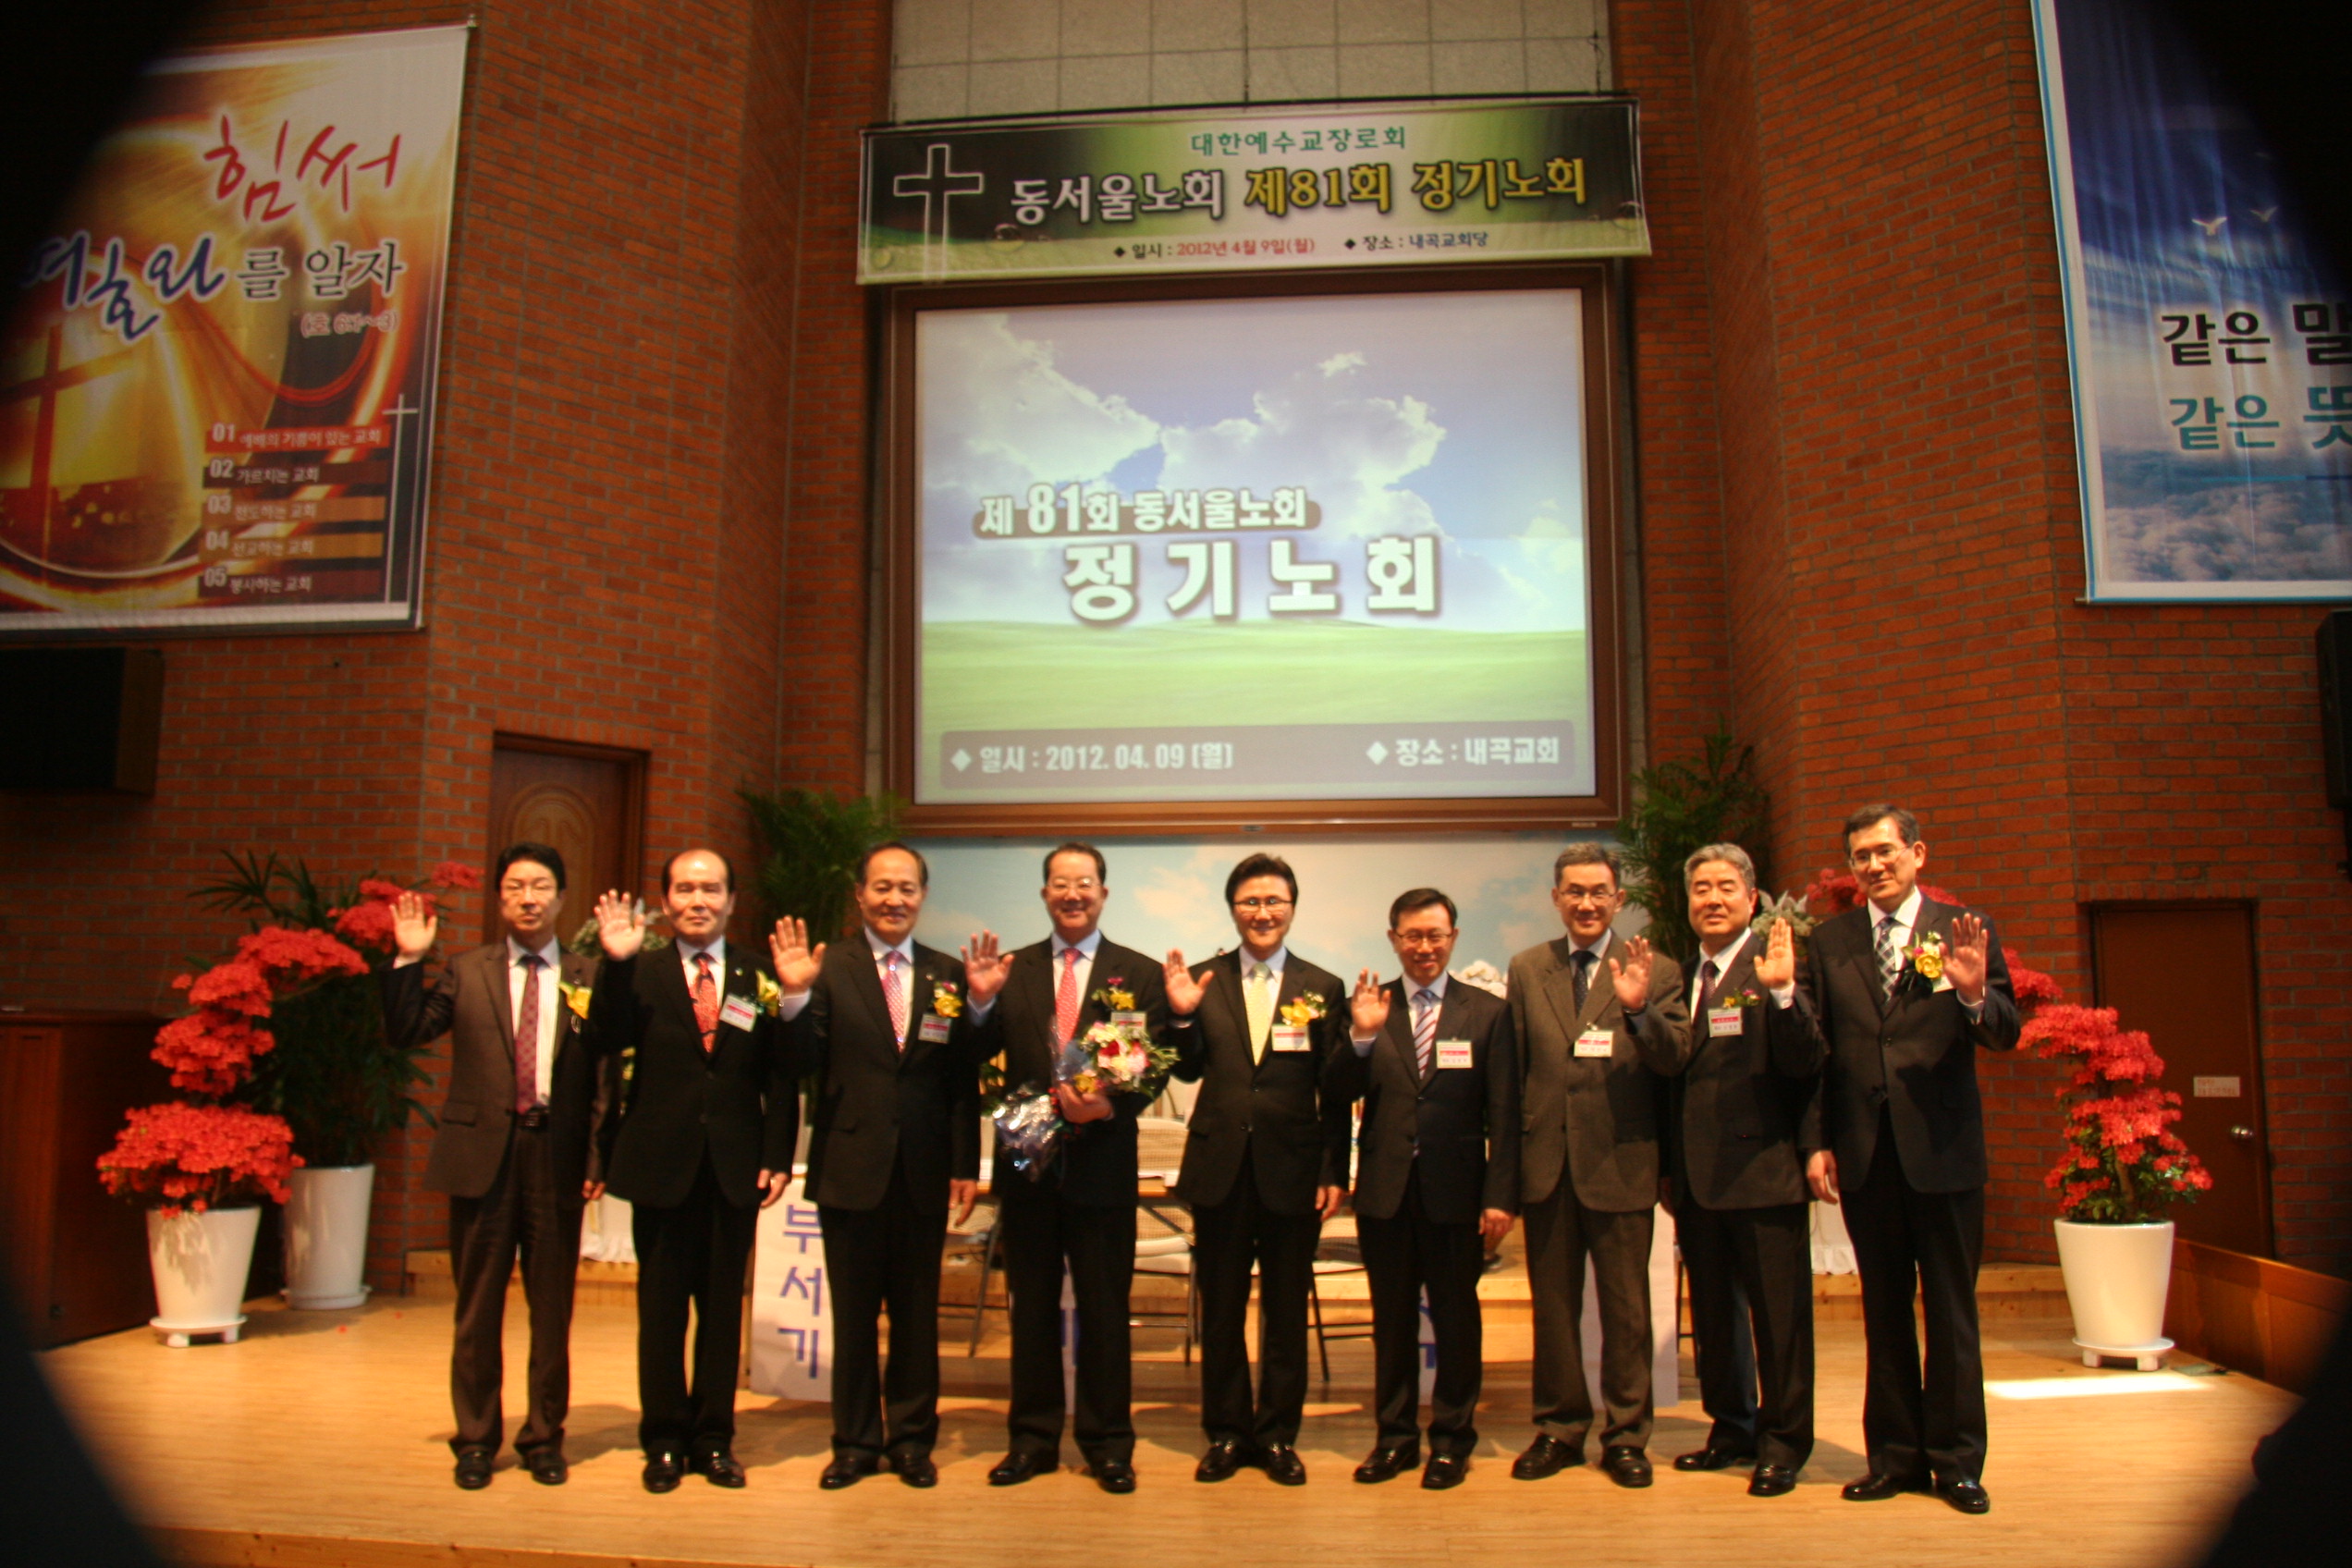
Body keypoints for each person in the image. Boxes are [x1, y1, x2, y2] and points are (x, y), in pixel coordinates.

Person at [1795, 804, 2018, 1514]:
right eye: (1860, 856)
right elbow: (1818, 1053)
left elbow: (2005, 1032)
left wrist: (1975, 993)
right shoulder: (1829, 942)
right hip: (1866, 1155)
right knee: (1884, 1312)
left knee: (1952, 1312)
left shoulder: (1962, 931)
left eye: (1885, 851)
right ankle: (1893, 1458)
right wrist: (1817, 1141)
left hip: (1944, 1154)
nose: (1874, 865)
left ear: (1917, 854)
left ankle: (1957, 1463)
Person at [771, 841, 1008, 1490]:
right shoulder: (827, 967)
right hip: (849, 1168)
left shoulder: (948, 973)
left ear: (922, 896)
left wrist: (981, 1006)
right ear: (860, 895)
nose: (894, 899)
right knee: (853, 1320)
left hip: (924, 1171)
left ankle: (910, 1442)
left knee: (916, 1317)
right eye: (881, 887)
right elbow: (798, 1062)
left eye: (907, 888)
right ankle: (853, 1444)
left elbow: (963, 1076)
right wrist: (794, 996)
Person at [382, 842, 612, 1489]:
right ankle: (477, 1440)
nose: (528, 898)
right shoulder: (466, 970)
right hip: (483, 1156)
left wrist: (597, 1154)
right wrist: (409, 959)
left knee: (552, 1310)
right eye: (514, 887)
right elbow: (407, 1032)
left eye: (540, 886)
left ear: (561, 897)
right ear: (500, 899)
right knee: (477, 1309)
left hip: (556, 1155)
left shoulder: (587, 977)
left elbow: (601, 1075)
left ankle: (543, 1438)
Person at [587, 849, 797, 1493]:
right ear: (665, 902)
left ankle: (713, 1440)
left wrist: (777, 1154)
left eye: (710, 890)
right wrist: (616, 963)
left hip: (734, 1169)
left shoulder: (761, 976)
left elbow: (783, 1074)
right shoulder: (640, 970)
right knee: (661, 1313)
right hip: (659, 1166)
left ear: (732, 901)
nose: (697, 900)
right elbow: (603, 1039)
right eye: (684, 889)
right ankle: (663, 1441)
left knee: (721, 1313)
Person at [970, 842, 1168, 1494]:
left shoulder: (1136, 974)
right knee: (1029, 1311)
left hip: (1102, 1169)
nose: (1073, 894)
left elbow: (1149, 1067)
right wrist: (979, 1004)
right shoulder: (1012, 969)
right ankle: (1032, 1440)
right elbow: (974, 1052)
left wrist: (1109, 1104)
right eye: (1060, 883)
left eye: (1085, 883)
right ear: (1045, 894)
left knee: (1105, 1311)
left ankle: (1108, 1444)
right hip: (1028, 1170)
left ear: (1103, 894)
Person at [1162, 852, 1349, 1486]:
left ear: (1291, 908)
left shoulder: (1323, 986)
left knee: (1286, 1312)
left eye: (1274, 901)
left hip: (1294, 1171)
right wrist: (1182, 1016)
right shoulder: (1204, 979)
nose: (1262, 912)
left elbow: (1335, 1090)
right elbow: (1188, 1067)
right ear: (1232, 908)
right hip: (1220, 1167)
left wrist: (1333, 1170)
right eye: (1250, 901)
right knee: (1220, 1309)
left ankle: (1275, 1436)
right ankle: (1225, 1433)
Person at [1507, 843, 1688, 1488]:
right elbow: (1515, 1073)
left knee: (1626, 1311)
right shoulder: (1528, 968)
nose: (1587, 903)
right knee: (1553, 1311)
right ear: (1556, 898)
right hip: (1547, 1165)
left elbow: (1674, 1060)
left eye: (1599, 892)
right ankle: (1558, 1429)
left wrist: (1638, 1008)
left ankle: (1627, 1436)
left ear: (1618, 899)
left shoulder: (1656, 970)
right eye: (1575, 891)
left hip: (1622, 1163)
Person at [1329, 888, 1519, 1489]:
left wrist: (1500, 1195)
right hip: (1386, 1194)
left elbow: (1505, 1112)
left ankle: (1452, 1442)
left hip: (1457, 1194)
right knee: (1391, 1324)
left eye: (1435, 935)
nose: (1424, 946)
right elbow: (1336, 1091)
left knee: (1457, 1321)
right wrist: (1362, 1038)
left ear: (1453, 938)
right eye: (1412, 935)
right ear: (1394, 940)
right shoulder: (1368, 1005)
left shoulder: (1486, 1012)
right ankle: (1394, 1439)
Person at [1663, 844, 1823, 1497]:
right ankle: (1731, 1428)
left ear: (1752, 899)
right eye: (1701, 888)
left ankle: (1783, 1444)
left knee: (1779, 1321)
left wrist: (1782, 991)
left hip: (1765, 1172)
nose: (1713, 899)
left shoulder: (1778, 965)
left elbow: (1808, 1061)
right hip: (1697, 1180)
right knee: (1715, 1317)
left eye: (1726, 887)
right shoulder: (1679, 977)